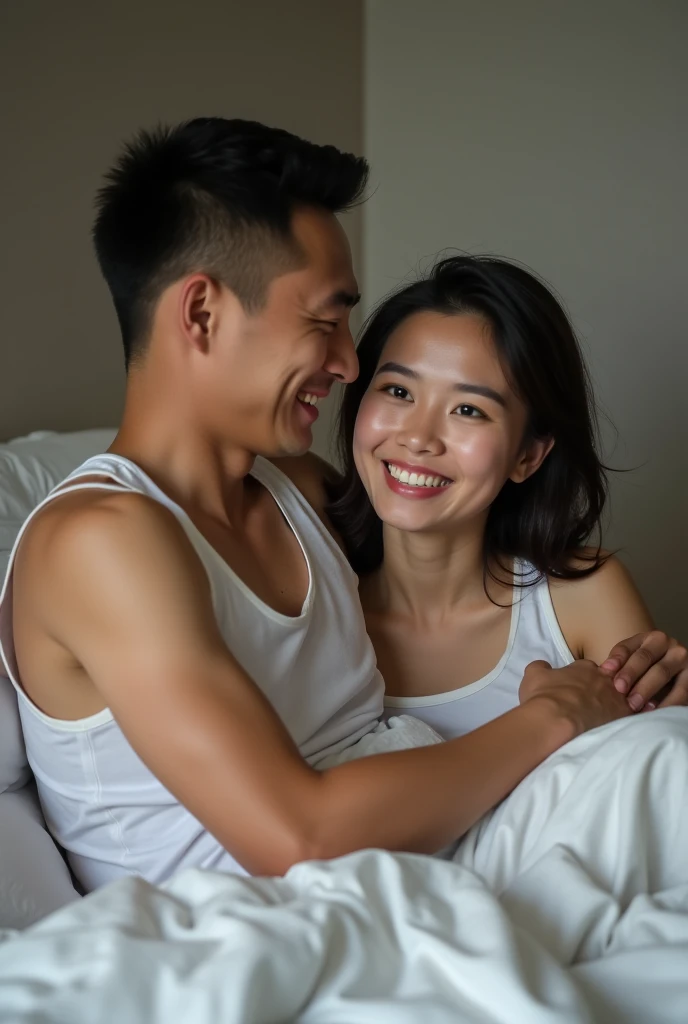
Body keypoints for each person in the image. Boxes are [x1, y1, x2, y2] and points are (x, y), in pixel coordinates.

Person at [0, 119, 681, 893]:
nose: (349, 362)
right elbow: (301, 837)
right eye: (325, 322)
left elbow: (440, 563)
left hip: (418, 876)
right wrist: (557, 715)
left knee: (664, 765)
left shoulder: (305, 493)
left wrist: (639, 685)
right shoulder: (99, 541)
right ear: (200, 315)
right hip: (253, 932)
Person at [327, 255, 688, 738]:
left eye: (469, 410)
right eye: (398, 391)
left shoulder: (580, 601)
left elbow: (648, 779)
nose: (419, 438)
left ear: (529, 456)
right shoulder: (306, 612)